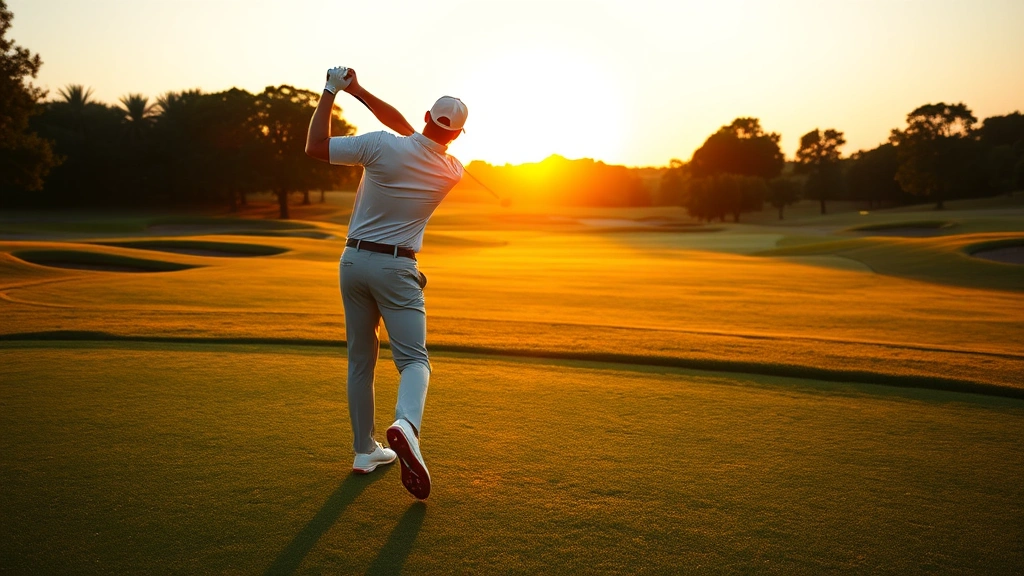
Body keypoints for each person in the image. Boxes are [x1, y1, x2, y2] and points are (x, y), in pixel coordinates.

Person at [305, 66, 467, 500]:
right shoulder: (453, 170)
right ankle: (406, 426)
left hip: (353, 261)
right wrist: (359, 91)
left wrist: (336, 91)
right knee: (414, 361)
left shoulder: (379, 146)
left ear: (427, 115)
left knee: (361, 360)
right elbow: (414, 134)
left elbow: (315, 146)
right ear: (455, 136)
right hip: (398, 269)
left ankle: (364, 451)